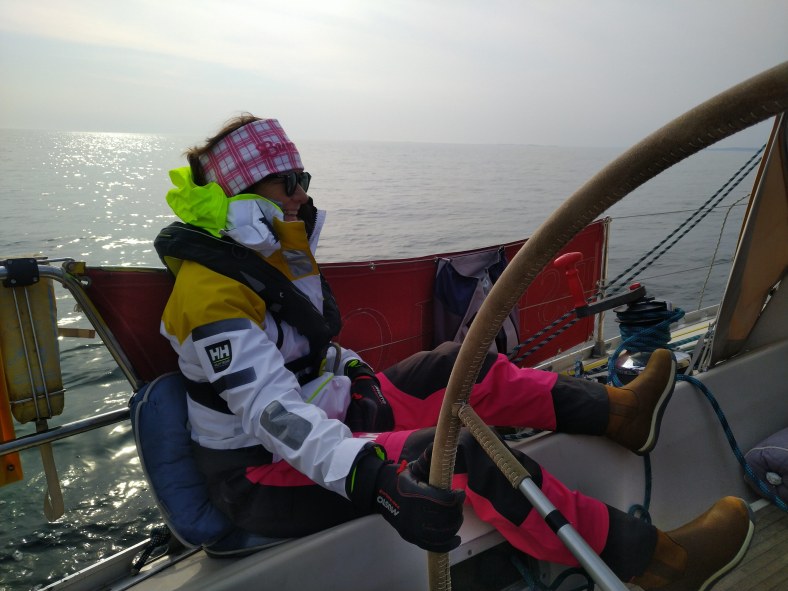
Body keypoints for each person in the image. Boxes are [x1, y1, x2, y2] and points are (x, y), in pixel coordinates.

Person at [155, 114, 753, 590]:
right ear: (242, 192)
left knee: (457, 364)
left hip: (332, 417)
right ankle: (659, 564)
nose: (302, 194)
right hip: (266, 472)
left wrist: (356, 373)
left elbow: (309, 351)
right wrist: (377, 480)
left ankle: (623, 415)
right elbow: (273, 413)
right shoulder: (209, 295)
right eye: (289, 182)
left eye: (304, 179)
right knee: (461, 454)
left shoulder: (266, 259)